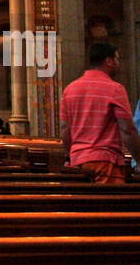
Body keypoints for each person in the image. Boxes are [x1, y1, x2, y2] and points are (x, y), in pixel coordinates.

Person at [60, 42, 140, 184]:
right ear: (109, 61)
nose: (118, 63)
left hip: (78, 161)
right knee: (107, 204)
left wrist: (68, 156)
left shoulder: (70, 89)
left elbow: (65, 129)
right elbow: (127, 130)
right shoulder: (115, 89)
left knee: (84, 205)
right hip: (105, 162)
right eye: (117, 58)